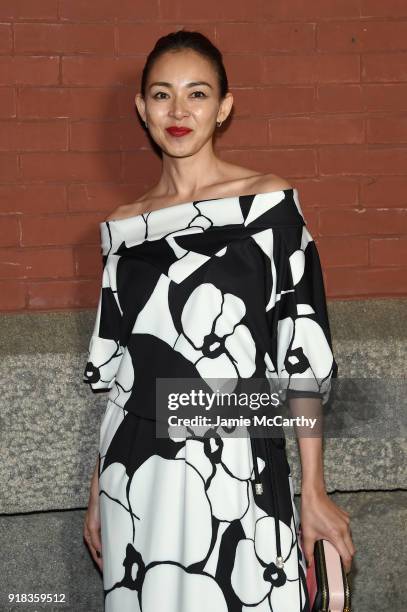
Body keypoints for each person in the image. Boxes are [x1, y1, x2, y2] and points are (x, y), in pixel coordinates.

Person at [83, 29, 355, 612]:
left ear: (225, 107)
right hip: (136, 466)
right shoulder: (122, 229)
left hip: (235, 460)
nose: (178, 111)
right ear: (141, 108)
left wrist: (313, 487)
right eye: (161, 95)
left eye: (197, 94)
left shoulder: (269, 207)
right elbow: (116, 370)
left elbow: (301, 355)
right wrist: (97, 493)